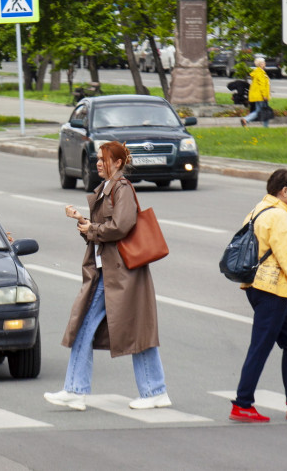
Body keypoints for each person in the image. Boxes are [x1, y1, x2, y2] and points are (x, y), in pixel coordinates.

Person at [44, 141, 171, 412]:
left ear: (116, 163)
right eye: (98, 158)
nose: (98, 162)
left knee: (87, 327)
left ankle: (76, 390)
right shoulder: (106, 188)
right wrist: (84, 222)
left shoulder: (122, 188)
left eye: (103, 159)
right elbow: (105, 229)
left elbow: (122, 226)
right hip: (111, 272)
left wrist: (92, 229)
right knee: (133, 331)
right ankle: (154, 390)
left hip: (120, 275)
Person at [229, 169, 287, 423]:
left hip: (259, 288)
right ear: (284, 191)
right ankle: (242, 403)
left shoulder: (258, 209)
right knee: (260, 347)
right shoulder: (278, 216)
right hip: (271, 290)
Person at [240, 57, 271, 128]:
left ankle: (245, 120)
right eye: (264, 62)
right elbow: (262, 85)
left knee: (258, 111)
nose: (265, 64)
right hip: (261, 96)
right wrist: (264, 95)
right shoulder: (261, 73)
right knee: (265, 111)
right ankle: (265, 127)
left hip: (257, 95)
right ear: (261, 64)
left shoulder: (256, 72)